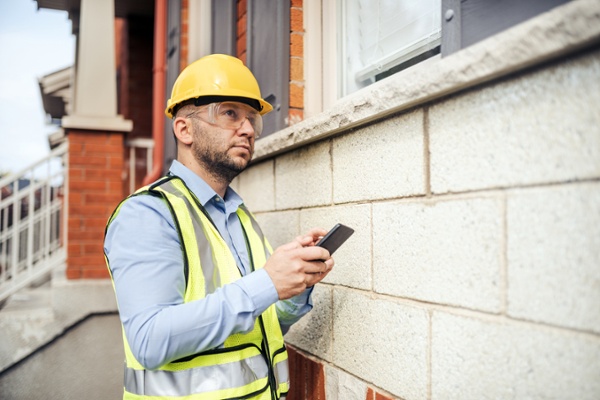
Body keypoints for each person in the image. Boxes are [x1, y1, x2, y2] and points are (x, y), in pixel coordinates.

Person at [104, 53, 334, 400]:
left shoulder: (239, 216)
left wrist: (295, 284)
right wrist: (267, 282)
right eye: (230, 113)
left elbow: (264, 323)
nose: (246, 129)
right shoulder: (149, 214)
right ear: (184, 129)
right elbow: (150, 340)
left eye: (251, 119)